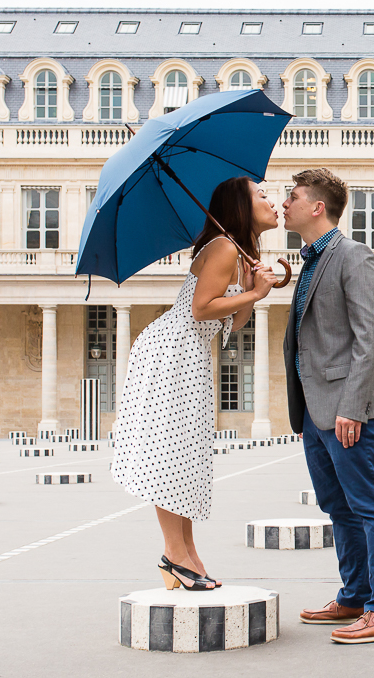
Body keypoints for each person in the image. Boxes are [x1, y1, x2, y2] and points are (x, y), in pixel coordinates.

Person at [111, 177, 278, 590]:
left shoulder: (239, 253)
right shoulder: (223, 246)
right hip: (171, 352)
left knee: (185, 456)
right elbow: (202, 309)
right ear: (241, 205)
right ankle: (174, 555)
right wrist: (254, 294)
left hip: (190, 355)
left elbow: (228, 323)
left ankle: (187, 554)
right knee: (169, 454)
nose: (271, 200)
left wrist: (255, 291)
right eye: (262, 195)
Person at [282, 168, 374, 644]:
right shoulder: (311, 260)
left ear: (318, 207)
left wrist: (352, 407)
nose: (284, 203)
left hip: (349, 410)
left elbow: (370, 337)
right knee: (339, 507)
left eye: (291, 197)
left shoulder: (354, 256)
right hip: (317, 412)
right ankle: (356, 595)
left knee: (372, 504)